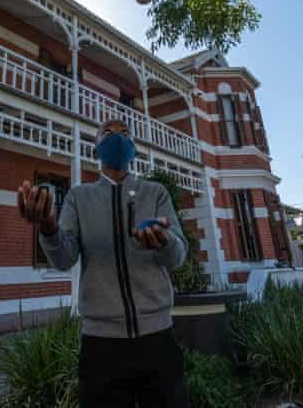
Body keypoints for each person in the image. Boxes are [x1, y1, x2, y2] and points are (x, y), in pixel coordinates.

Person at [19, 118, 191, 407]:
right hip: (101, 345)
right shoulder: (78, 197)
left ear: (133, 148)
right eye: (108, 133)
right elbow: (64, 258)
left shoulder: (155, 193)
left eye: (125, 133)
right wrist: (48, 228)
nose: (118, 137)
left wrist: (164, 242)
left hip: (158, 337)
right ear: (96, 150)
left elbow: (178, 255)